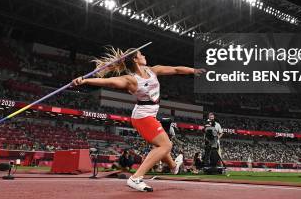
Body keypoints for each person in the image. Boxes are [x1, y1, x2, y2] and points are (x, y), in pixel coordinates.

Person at [73, 47, 204, 192]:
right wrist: (84, 80)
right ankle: (136, 178)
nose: (144, 55)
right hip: (143, 116)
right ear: (135, 59)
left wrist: (193, 70)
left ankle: (173, 166)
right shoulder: (131, 80)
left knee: (160, 145)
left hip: (150, 115)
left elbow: (175, 70)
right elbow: (109, 81)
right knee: (166, 145)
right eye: (141, 54)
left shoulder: (152, 70)